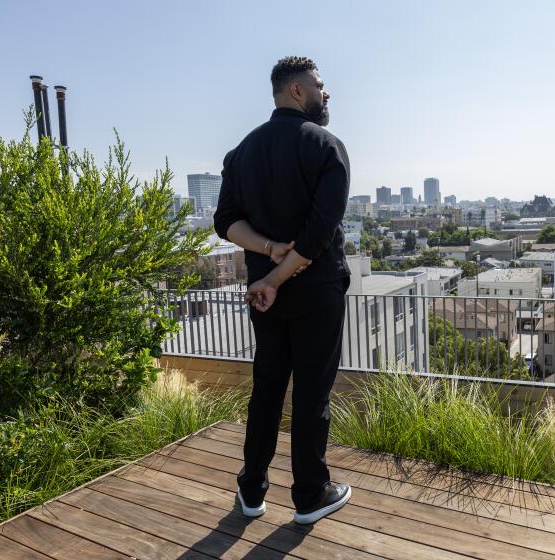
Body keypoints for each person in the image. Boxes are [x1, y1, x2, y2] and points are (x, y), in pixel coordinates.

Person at [213, 56, 352, 525]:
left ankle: (251, 491)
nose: (325, 92)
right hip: (315, 293)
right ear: (297, 91)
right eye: (319, 85)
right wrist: (277, 272)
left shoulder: (241, 152)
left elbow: (225, 222)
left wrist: (267, 254)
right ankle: (311, 495)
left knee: (267, 390)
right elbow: (317, 235)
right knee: (312, 395)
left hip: (263, 299)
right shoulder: (326, 147)